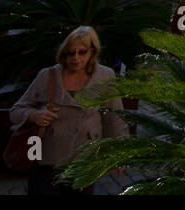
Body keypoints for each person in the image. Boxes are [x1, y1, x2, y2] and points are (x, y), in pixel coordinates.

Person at [11, 26, 127, 195]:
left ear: (92, 51)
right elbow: (16, 110)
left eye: (82, 52)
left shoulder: (104, 77)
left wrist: (118, 155)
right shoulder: (48, 76)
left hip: (84, 161)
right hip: (47, 161)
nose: (76, 58)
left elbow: (114, 118)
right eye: (70, 53)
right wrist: (34, 115)